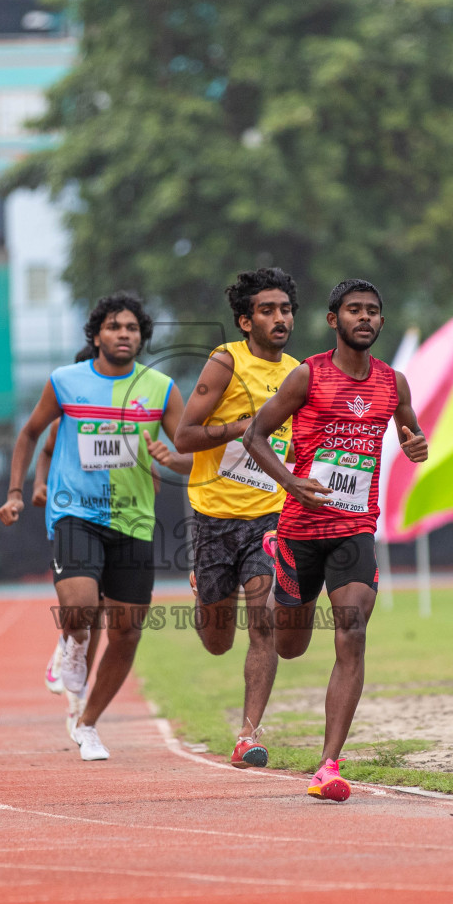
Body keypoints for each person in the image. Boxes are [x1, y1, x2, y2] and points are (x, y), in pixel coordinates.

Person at [244, 279, 427, 800]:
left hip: (354, 528)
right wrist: (290, 481)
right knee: (291, 645)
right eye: (354, 310)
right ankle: (275, 554)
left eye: (372, 311)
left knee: (353, 632)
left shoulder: (393, 383)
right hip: (301, 530)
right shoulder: (308, 375)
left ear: (381, 322)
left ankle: (328, 766)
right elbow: (254, 435)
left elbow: (409, 432)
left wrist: (416, 446)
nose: (364, 318)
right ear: (333, 320)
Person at [0, 292, 190, 760]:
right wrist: (17, 491)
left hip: (133, 519)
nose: (124, 334)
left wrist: (173, 458)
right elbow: (30, 434)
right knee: (81, 607)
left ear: (142, 337)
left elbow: (190, 455)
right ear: (97, 335)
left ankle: (87, 724)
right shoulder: (66, 382)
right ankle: (73, 642)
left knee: (126, 632)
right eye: (114, 326)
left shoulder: (161, 387)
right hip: (75, 511)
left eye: (132, 328)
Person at [171, 267, 299, 768]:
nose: (279, 317)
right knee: (217, 641)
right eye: (267, 310)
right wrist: (241, 428)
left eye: (285, 309)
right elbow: (184, 436)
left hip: (269, 517)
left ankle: (249, 734)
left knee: (263, 621)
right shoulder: (226, 363)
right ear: (246, 321)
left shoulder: (298, 373)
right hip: (213, 518)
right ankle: (204, 591)